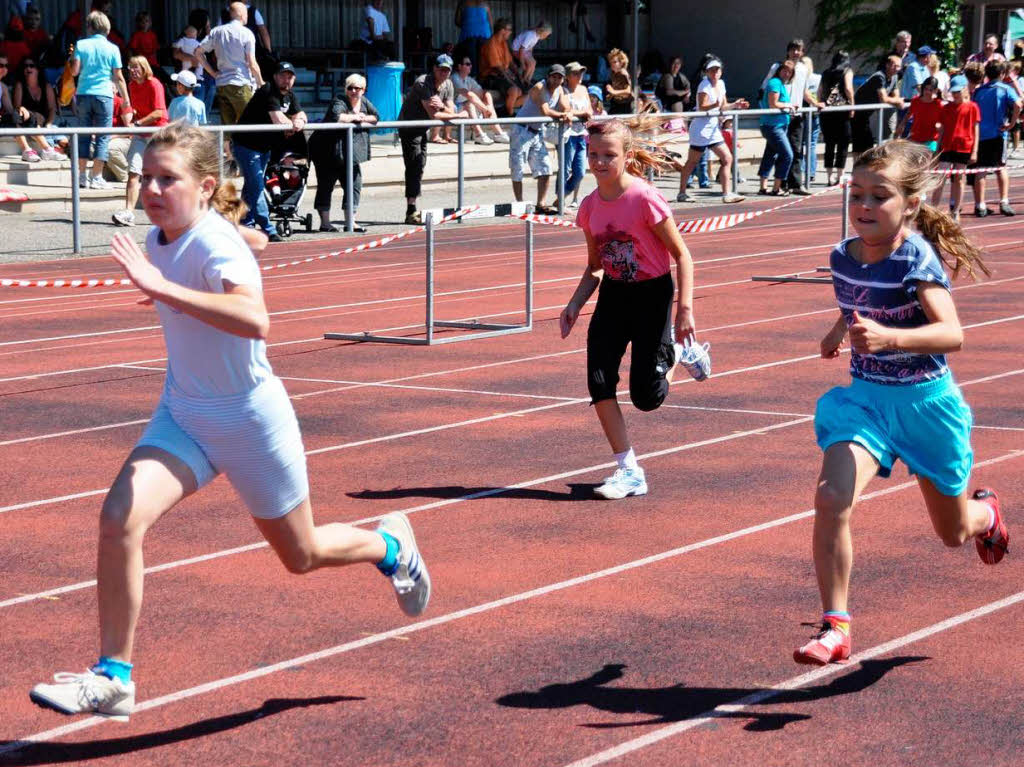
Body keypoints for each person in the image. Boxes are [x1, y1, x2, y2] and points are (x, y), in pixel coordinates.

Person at [28, 121, 431, 722]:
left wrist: (165, 286)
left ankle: (391, 547)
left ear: (205, 185)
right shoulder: (165, 237)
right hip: (185, 413)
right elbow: (215, 257)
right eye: (146, 178)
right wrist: (174, 282)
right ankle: (114, 676)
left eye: (168, 179)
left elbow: (255, 319)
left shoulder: (211, 242)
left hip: (248, 419)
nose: (152, 189)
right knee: (118, 519)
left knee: (301, 555)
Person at [793, 139, 1007, 667]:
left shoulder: (917, 257)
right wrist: (837, 328)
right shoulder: (841, 256)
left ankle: (987, 515)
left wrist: (890, 339)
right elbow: (858, 299)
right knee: (830, 497)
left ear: (910, 204)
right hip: (864, 403)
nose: (863, 206)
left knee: (953, 533)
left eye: (879, 197)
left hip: (925, 406)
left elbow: (951, 333)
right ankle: (835, 625)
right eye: (857, 194)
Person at [558, 117, 709, 501]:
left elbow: (682, 255)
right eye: (593, 155)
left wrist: (684, 310)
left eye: (608, 155)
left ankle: (680, 350)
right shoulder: (590, 207)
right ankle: (628, 469)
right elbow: (595, 265)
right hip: (613, 296)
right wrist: (575, 303)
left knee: (647, 397)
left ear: (626, 156)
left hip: (652, 296)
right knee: (598, 380)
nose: (599, 162)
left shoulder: (644, 198)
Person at [232, 60, 306, 241]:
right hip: (246, 145)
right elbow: (278, 119)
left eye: (290, 77)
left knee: (251, 186)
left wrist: (299, 122)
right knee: (256, 186)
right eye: (282, 75)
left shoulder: (290, 96)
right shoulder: (268, 91)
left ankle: (244, 223)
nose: (286, 80)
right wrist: (293, 124)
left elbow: (301, 114)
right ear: (274, 77)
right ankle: (268, 229)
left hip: (264, 147)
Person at [398, 54, 468, 224]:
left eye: (447, 70)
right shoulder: (423, 82)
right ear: (434, 69)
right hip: (409, 127)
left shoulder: (448, 84)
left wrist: (445, 107)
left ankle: (412, 207)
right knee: (414, 164)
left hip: (422, 128)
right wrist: (458, 115)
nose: (444, 73)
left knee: (420, 165)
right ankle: (411, 210)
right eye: (441, 69)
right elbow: (435, 115)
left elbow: (447, 108)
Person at [309, 72, 378, 233]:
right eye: (350, 88)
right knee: (326, 185)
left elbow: (375, 116)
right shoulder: (339, 100)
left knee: (354, 184)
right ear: (346, 89)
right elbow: (337, 117)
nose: (354, 91)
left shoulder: (365, 102)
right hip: (326, 151)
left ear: (364, 90)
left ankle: (351, 222)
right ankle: (325, 223)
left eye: (358, 88)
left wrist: (363, 118)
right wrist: (356, 117)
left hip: (349, 153)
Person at [72, 10, 131, 191]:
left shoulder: (81, 44)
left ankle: (82, 176)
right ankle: (96, 177)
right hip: (104, 95)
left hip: (83, 93)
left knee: (83, 135)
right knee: (103, 137)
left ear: (90, 27)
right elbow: (119, 76)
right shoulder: (113, 48)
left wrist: (71, 59)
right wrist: (126, 99)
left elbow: (74, 71)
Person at [675, 59, 748, 204]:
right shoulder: (704, 85)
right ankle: (681, 193)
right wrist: (715, 104)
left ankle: (726, 193)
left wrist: (736, 105)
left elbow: (723, 106)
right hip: (700, 130)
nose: (715, 73)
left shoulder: (721, 84)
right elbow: (702, 106)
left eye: (717, 70)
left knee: (727, 158)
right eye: (712, 70)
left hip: (713, 129)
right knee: (692, 162)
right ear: (707, 72)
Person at [112, 56, 168, 228]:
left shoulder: (154, 84)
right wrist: (131, 115)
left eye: (136, 67)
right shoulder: (132, 86)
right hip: (140, 134)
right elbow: (136, 109)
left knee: (163, 175)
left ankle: (171, 210)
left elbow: (159, 112)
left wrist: (138, 123)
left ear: (144, 68)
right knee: (133, 173)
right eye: (130, 68)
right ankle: (129, 212)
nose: (132, 71)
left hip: (156, 135)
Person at [760, 40, 821, 194]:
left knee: (795, 150)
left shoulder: (802, 69)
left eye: (799, 50)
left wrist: (815, 103)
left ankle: (794, 184)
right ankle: (776, 184)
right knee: (775, 151)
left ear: (802, 52)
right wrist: (766, 110)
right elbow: (764, 89)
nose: (796, 53)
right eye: (793, 49)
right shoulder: (777, 67)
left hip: (796, 115)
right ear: (788, 51)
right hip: (778, 117)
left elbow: (805, 92)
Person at [508, 63, 569, 214]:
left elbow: (564, 106)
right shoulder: (539, 88)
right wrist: (563, 115)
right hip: (521, 130)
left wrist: (567, 113)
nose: (556, 80)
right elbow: (546, 111)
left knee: (546, 169)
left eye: (559, 77)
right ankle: (520, 204)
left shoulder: (560, 90)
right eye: (553, 76)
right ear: (548, 76)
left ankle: (540, 204)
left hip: (537, 132)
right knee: (518, 169)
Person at [197, 2, 263, 129]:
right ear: (242, 14)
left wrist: (212, 73)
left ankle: (226, 149)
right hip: (241, 84)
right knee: (249, 124)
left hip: (222, 84)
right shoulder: (247, 33)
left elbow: (198, 52)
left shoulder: (216, 31)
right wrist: (260, 82)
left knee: (227, 128)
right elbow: (252, 62)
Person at [969, 60, 1021, 218]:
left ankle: (980, 205)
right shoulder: (1005, 89)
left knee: (981, 170)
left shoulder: (978, 92)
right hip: (998, 134)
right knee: (1001, 167)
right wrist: (1012, 123)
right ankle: (1004, 202)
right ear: (1002, 74)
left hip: (981, 135)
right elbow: (1019, 104)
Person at [931, 75, 979, 220]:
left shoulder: (972, 107)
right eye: (954, 92)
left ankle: (956, 211)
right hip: (947, 146)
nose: (956, 95)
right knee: (940, 178)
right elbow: (942, 130)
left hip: (964, 146)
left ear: (965, 89)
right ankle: (933, 210)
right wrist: (937, 150)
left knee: (959, 179)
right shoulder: (946, 108)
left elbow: (976, 130)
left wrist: (974, 151)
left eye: (958, 91)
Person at [850, 55, 904, 164]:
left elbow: (895, 95)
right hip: (857, 112)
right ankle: (856, 169)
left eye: (899, 66)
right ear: (887, 65)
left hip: (867, 115)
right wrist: (898, 102)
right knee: (861, 144)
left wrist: (897, 100)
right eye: (895, 66)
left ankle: (862, 169)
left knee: (868, 144)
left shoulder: (894, 77)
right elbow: (883, 98)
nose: (897, 69)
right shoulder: (879, 76)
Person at [11, 56, 62, 161]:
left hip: (42, 118)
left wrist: (49, 123)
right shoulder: (20, 85)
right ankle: (46, 150)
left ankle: (43, 150)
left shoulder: (46, 86)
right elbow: (17, 106)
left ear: (38, 69)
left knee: (32, 118)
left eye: (31, 66)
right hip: (26, 118)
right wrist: (22, 108)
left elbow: (52, 108)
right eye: (25, 66)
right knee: (18, 115)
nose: (28, 69)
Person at [757, 59, 796, 196]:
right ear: (779, 70)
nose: (787, 73)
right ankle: (776, 188)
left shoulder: (780, 84)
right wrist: (788, 105)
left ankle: (763, 187)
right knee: (787, 155)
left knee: (770, 154)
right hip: (773, 126)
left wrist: (789, 105)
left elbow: (778, 103)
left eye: (790, 72)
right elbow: (773, 103)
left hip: (777, 125)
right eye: (784, 70)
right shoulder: (775, 82)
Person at [451, 55, 509, 144]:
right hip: (455, 109)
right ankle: (479, 135)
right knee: (470, 103)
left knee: (487, 95)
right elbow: (468, 94)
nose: (470, 66)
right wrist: (484, 109)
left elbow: (482, 92)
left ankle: (499, 133)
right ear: (459, 66)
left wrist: (488, 104)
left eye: (470, 64)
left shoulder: (468, 79)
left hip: (469, 109)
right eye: (467, 64)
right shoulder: (454, 77)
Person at [558, 61, 593, 209]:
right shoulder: (562, 90)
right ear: (568, 76)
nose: (579, 76)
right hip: (568, 134)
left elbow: (589, 109)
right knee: (565, 169)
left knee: (580, 172)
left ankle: (562, 196)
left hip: (581, 134)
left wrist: (586, 114)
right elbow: (566, 109)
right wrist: (582, 114)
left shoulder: (584, 89)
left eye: (581, 72)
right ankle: (560, 200)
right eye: (575, 73)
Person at [818, 50, 855, 186]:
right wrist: (852, 106)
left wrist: (821, 103)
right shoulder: (847, 71)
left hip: (827, 111)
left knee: (829, 144)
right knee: (843, 143)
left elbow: (820, 91)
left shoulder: (826, 72)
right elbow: (848, 89)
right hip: (842, 110)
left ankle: (829, 177)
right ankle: (840, 176)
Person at [173, 10, 215, 120]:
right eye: (207, 21)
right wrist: (194, 58)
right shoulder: (187, 36)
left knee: (209, 90)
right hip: (189, 76)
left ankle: (202, 122)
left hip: (205, 76)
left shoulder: (207, 37)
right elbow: (176, 53)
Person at [478, 18, 523, 117]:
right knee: (515, 90)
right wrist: (511, 81)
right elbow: (497, 68)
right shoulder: (491, 43)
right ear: (502, 30)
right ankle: (510, 114)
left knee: (527, 90)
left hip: (504, 75)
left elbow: (510, 62)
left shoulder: (504, 42)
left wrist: (519, 75)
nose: (511, 32)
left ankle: (504, 109)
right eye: (509, 30)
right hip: (491, 77)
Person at [895, 76, 943, 153]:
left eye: (930, 90)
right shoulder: (916, 101)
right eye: (926, 89)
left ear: (935, 91)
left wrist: (939, 125)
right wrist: (901, 125)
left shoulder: (938, 104)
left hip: (931, 140)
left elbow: (943, 122)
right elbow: (908, 114)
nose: (927, 92)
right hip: (916, 138)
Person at [897, 45, 933, 133]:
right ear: (925, 57)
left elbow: (929, 86)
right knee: (907, 133)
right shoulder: (913, 67)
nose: (931, 58)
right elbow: (919, 87)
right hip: (908, 104)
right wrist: (931, 99)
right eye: (930, 56)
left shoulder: (925, 68)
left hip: (918, 103)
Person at [454, 0, 491, 66]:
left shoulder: (463, 2)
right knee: (483, 62)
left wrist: (467, 24)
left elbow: (457, 21)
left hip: (468, 33)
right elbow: (490, 22)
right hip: (485, 34)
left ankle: (472, 75)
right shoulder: (485, 3)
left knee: (470, 61)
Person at [604, 48, 634, 115]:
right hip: (616, 104)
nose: (612, 64)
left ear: (621, 63)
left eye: (615, 62)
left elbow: (628, 91)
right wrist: (611, 95)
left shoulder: (623, 73)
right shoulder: (614, 74)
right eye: (611, 62)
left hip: (625, 107)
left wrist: (613, 92)